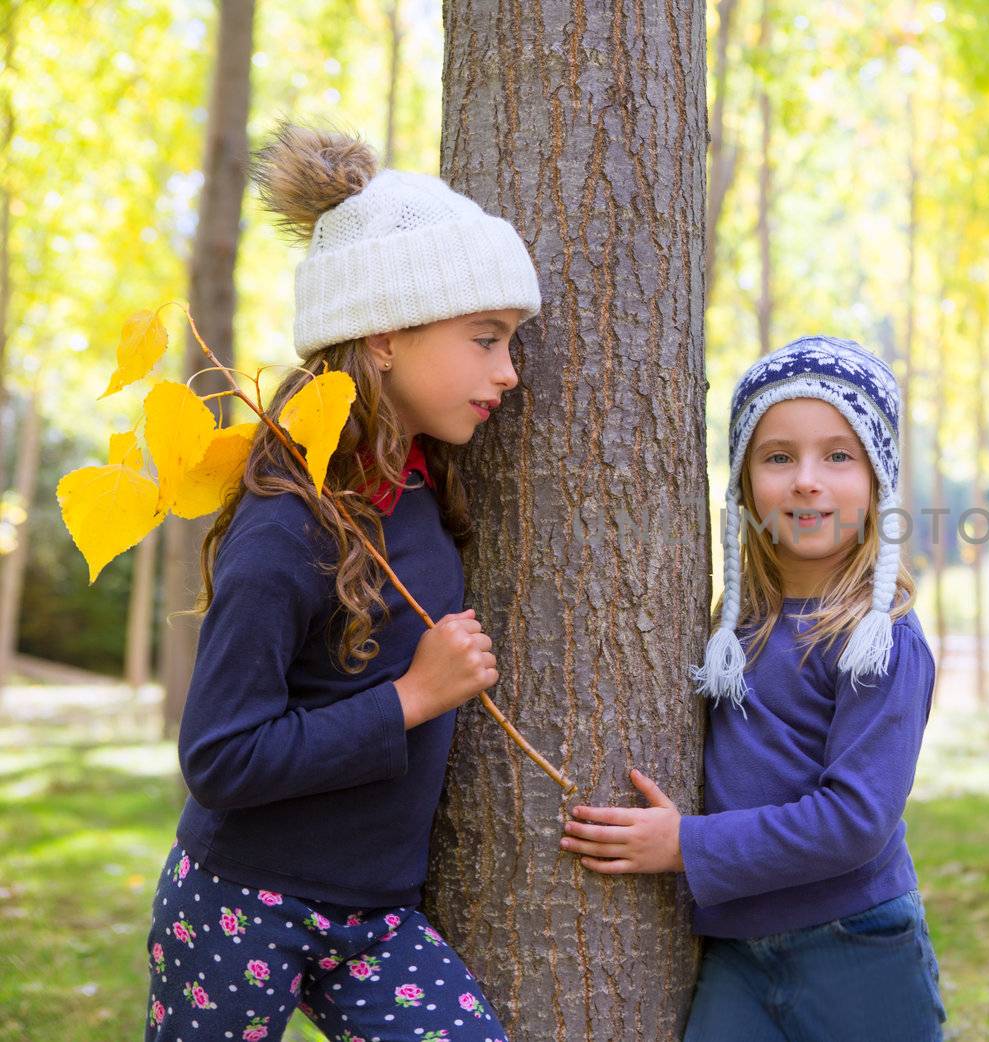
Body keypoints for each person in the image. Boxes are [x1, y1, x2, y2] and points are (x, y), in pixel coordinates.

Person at [143, 123, 539, 1042]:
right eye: (485, 338)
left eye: (511, 341)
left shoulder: (419, 489)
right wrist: (410, 697)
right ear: (388, 335)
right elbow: (218, 756)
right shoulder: (285, 526)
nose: (509, 371)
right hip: (240, 904)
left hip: (374, 918)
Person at [559, 336, 946, 1041]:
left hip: (857, 947)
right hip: (737, 953)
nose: (806, 480)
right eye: (777, 457)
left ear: (878, 480)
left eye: (838, 455)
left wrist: (686, 846)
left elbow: (856, 821)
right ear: (742, 484)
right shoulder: (731, 629)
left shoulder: (881, 639)